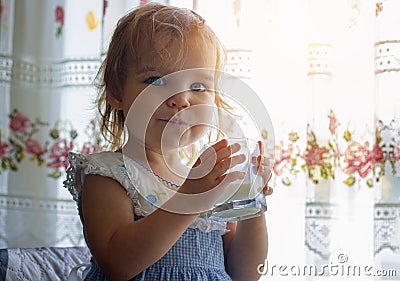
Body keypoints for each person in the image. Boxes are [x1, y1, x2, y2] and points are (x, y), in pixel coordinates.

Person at [64, 3, 273, 280]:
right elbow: (118, 265)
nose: (182, 99)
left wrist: (251, 206)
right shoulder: (108, 174)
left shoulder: (206, 179)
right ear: (117, 91)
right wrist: (188, 200)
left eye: (197, 87)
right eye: (156, 80)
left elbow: (243, 273)